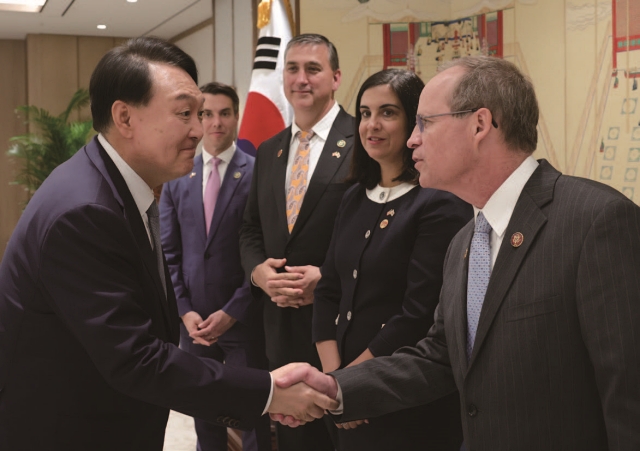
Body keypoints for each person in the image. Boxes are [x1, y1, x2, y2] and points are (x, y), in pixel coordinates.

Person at [273, 55, 640, 450]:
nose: (413, 138)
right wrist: (335, 386)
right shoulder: (465, 241)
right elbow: (442, 357)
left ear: (479, 125)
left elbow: (628, 392)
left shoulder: (594, 221)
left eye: (425, 123)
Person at [0, 36, 336, 451]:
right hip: (72, 428)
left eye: (201, 113)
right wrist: (268, 392)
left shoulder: (117, 185)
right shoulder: (85, 211)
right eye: (184, 114)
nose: (201, 130)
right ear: (124, 117)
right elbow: (135, 358)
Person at [312, 69, 470, 450]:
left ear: (415, 122)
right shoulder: (352, 198)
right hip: (346, 394)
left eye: (387, 112)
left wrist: (351, 387)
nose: (372, 125)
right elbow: (328, 291)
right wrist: (337, 381)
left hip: (404, 395)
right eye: (364, 113)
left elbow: (416, 313)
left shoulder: (438, 201)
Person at [240, 33, 354, 451]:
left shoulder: (364, 142)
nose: (300, 79)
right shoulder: (268, 151)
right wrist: (258, 274)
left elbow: (378, 234)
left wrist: (327, 278)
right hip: (280, 330)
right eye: (292, 69)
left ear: (336, 77)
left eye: (313, 69)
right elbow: (250, 229)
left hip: (343, 330)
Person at [159, 82, 270, 451]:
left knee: (252, 416)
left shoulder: (258, 174)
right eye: (207, 113)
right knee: (204, 417)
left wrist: (232, 312)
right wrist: (185, 311)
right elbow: (168, 252)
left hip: (242, 320)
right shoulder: (177, 175)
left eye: (225, 113)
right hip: (194, 327)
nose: (216, 122)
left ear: (236, 117)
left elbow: (260, 252)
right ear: (197, 118)